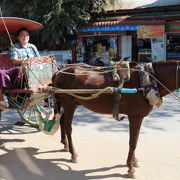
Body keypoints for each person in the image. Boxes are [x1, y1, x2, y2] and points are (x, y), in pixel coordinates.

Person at [0, 28, 40, 111]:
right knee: (20, 69)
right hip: (18, 70)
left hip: (34, 70)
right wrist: (27, 60)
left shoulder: (33, 47)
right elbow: (14, 61)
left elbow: (39, 59)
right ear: (18, 37)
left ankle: (47, 101)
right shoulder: (14, 47)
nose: (24, 37)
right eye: (22, 35)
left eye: (26, 35)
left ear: (29, 37)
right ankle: (13, 94)